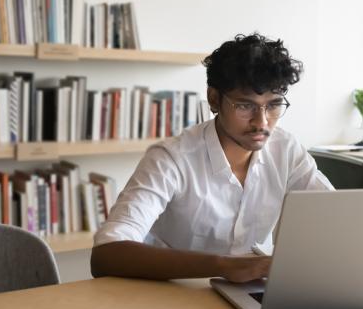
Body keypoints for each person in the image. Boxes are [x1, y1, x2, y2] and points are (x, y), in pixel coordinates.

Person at [91, 33, 333, 282]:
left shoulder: (286, 149)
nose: (261, 122)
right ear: (214, 99)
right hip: (171, 294)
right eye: (245, 106)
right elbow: (106, 255)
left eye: (273, 105)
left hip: (249, 295)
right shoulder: (171, 158)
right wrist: (224, 266)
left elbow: (336, 213)